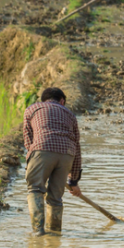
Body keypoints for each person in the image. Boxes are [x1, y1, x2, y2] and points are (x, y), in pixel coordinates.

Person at [23, 87, 82, 236]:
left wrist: (33, 164)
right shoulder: (70, 115)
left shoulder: (32, 109)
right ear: (62, 101)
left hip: (42, 149)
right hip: (67, 154)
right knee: (55, 198)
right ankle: (55, 235)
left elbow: (28, 141)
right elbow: (77, 147)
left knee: (35, 189)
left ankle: (38, 233)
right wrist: (73, 180)